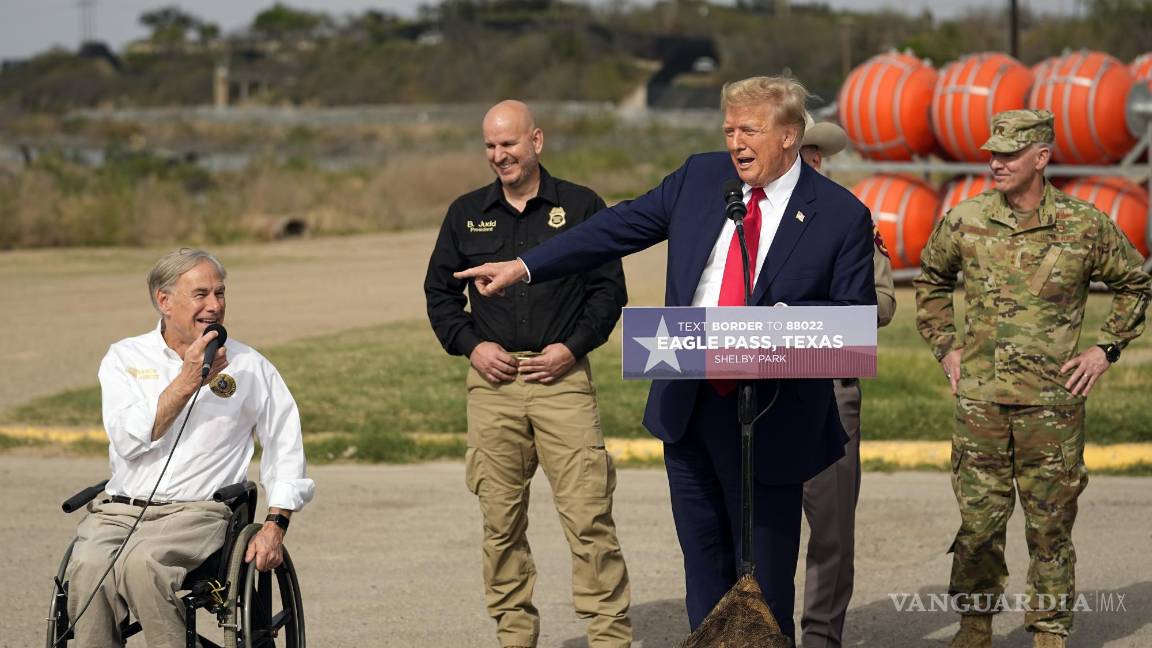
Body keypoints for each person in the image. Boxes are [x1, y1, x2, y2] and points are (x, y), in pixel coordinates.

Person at [455, 77, 877, 643]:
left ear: (790, 135)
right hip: (690, 407)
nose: (735, 143)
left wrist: (776, 332)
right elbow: (615, 228)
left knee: (765, 581)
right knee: (704, 570)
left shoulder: (839, 214)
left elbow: (854, 323)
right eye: (728, 130)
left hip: (772, 417)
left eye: (749, 130)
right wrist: (525, 266)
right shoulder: (702, 178)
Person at [915, 109, 1150, 648]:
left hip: (1053, 405)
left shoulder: (1084, 224)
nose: (996, 163)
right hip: (980, 405)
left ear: (1040, 158)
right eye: (992, 153)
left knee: (1049, 528)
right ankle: (975, 623)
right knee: (978, 527)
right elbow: (930, 279)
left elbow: (1136, 284)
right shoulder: (966, 219)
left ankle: (1048, 628)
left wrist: (1104, 349)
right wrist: (945, 347)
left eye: (1008, 154)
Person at [424, 100, 631, 648]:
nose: (499, 156)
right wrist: (471, 347)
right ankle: (515, 636)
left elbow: (608, 292)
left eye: (509, 144)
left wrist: (572, 348)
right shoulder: (465, 213)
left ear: (536, 141)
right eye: (490, 146)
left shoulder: (582, 206)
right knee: (500, 524)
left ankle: (609, 637)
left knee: (589, 517)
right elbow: (440, 294)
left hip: (561, 381)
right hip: (493, 387)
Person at [65, 248, 316, 648]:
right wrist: (186, 381)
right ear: (164, 301)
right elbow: (128, 442)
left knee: (143, 565)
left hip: (198, 513)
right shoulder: (125, 357)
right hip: (120, 510)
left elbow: (286, 447)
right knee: (89, 568)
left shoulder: (250, 366)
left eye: (220, 293)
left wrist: (275, 525)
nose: (214, 306)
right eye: (201, 294)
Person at [797, 113, 896, 648]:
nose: (811, 160)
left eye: (817, 153)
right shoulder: (742, 218)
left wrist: (821, 307)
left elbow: (883, 302)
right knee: (760, 526)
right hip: (761, 389)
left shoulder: (851, 219)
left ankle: (821, 637)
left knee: (832, 530)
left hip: (831, 386)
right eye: (802, 151)